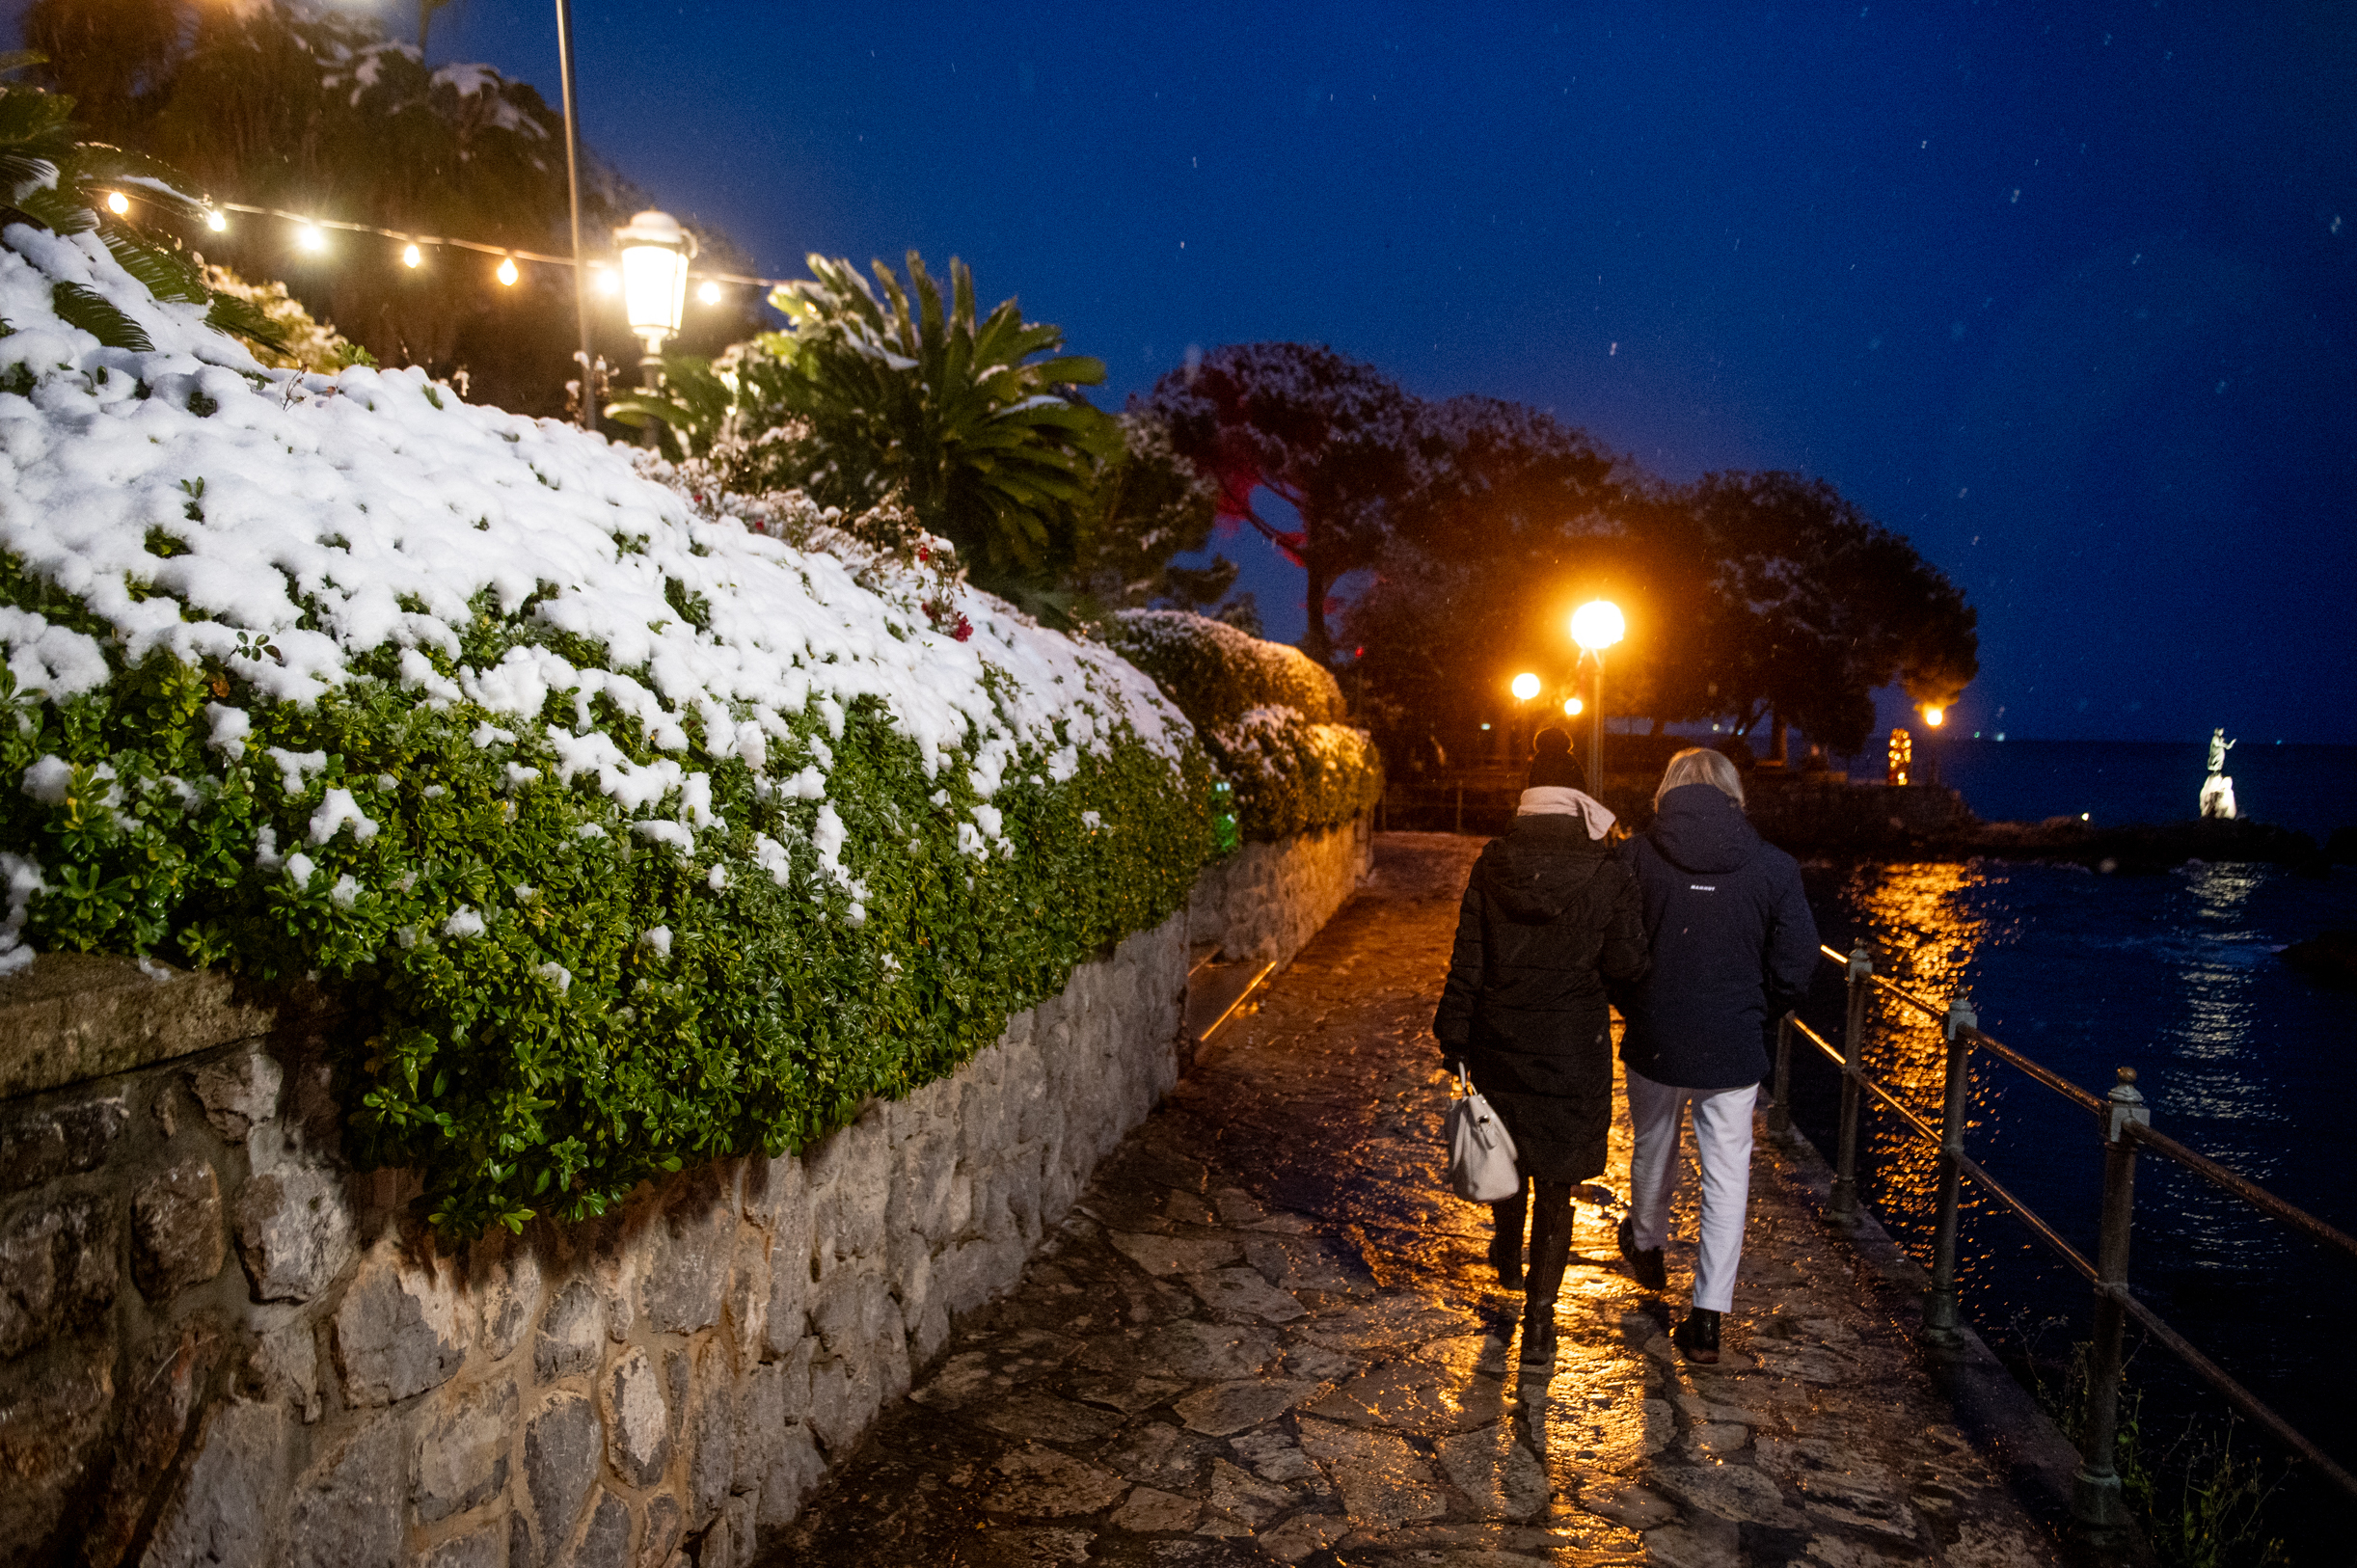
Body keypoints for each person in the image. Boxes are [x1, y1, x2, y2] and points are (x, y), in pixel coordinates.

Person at [1435, 728, 1648, 1369]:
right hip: (1570, 1044)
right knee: (1556, 1183)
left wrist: (1455, 1032)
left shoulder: (1493, 863)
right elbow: (1629, 963)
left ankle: (1505, 1251)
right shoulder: (1608, 872)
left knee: (1507, 1152)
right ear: (1577, 802)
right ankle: (1541, 1321)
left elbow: (1468, 953)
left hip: (1500, 1039)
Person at [1614, 746, 1818, 1364]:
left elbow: (1618, 949)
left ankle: (1647, 1244)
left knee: (1652, 1139)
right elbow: (1796, 965)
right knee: (1726, 1173)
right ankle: (1707, 1317)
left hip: (1655, 1030)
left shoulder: (1635, 858)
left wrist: (1637, 1000)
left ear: (1668, 791)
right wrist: (1757, 1012)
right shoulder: (1772, 867)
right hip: (1733, 1040)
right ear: (1733, 794)